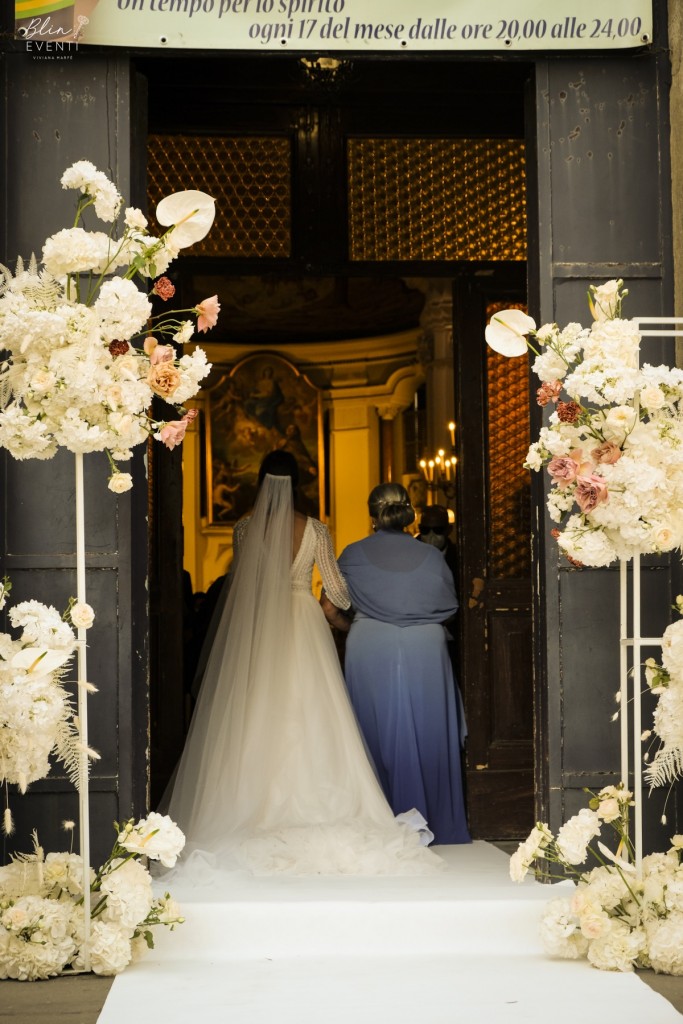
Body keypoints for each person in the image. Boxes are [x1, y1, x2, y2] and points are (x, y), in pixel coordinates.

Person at [163, 451, 441, 880]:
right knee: (313, 710)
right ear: (299, 484)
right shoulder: (314, 529)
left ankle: (251, 801)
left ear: (261, 481)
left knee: (258, 710)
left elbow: (244, 584)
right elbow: (337, 591)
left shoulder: (243, 527)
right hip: (303, 620)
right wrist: (355, 604)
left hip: (260, 625)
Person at [334, 483, 470, 846]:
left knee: (371, 729)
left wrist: (359, 624)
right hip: (425, 645)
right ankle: (434, 818)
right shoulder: (431, 557)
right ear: (408, 512)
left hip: (370, 643)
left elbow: (331, 607)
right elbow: (451, 606)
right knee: (428, 729)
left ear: (372, 514)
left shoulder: (351, 554)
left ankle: (376, 820)